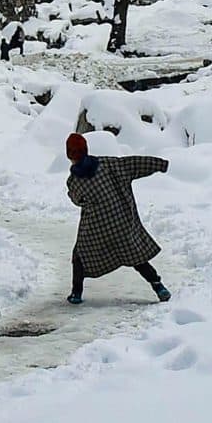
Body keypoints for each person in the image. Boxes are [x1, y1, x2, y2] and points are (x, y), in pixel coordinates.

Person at [63, 131, 172, 305]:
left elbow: (76, 199)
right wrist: (160, 164)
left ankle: (76, 293)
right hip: (122, 223)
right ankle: (159, 286)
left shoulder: (74, 181)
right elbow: (135, 164)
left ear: (70, 156)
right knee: (136, 257)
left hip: (96, 230)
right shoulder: (109, 164)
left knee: (80, 256)